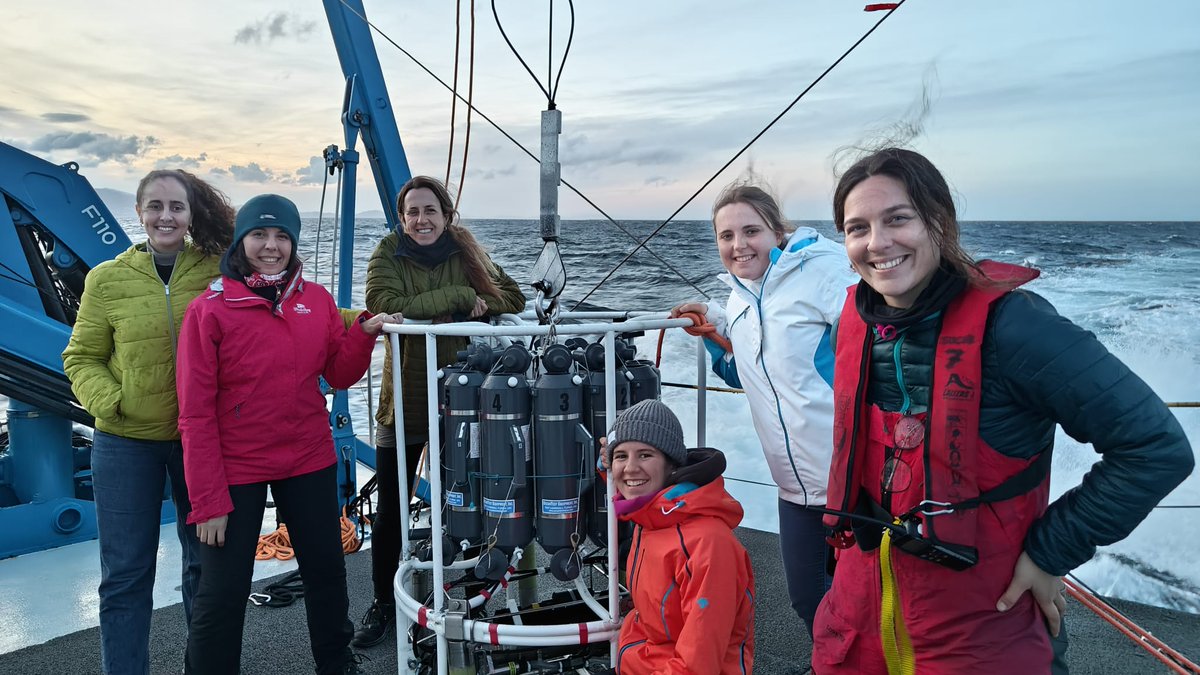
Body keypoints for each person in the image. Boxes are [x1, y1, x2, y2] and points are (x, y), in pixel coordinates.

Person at [814, 148, 1195, 674]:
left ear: (939, 221)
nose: (877, 243)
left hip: (982, 622)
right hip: (861, 613)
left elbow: (1155, 448)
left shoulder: (1016, 327)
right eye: (857, 228)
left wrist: (1049, 553)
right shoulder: (853, 324)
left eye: (897, 219)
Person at [176, 194, 401, 675]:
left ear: (294, 242)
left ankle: (337, 664)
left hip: (308, 456)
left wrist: (362, 335)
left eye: (282, 236)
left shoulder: (315, 300)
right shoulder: (210, 309)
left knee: (327, 573)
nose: (271, 246)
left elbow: (338, 375)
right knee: (223, 588)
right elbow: (194, 415)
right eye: (259, 235)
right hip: (237, 465)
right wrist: (208, 502)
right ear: (242, 241)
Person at [62, 169, 234, 674]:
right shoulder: (107, 279)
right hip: (124, 444)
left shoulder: (217, 272)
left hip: (198, 441)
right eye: (155, 206)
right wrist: (114, 403)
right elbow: (81, 357)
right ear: (139, 213)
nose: (165, 216)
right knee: (124, 576)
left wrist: (363, 321)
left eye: (176, 207)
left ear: (190, 214)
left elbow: (285, 307)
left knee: (204, 568)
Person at [669, 181, 858, 638]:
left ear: (777, 230)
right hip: (795, 488)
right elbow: (748, 376)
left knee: (867, 602)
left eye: (751, 231)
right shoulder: (738, 298)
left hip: (855, 482)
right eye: (726, 236)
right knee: (811, 599)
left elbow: (874, 358)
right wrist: (715, 327)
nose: (739, 246)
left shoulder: (826, 276)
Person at [355, 175, 526, 647]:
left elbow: (511, 298)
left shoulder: (466, 251)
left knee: (462, 501)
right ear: (401, 216)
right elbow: (386, 304)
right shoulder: (387, 253)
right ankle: (384, 603)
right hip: (406, 401)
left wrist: (473, 304)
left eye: (430, 210)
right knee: (392, 510)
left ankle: (463, 595)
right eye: (412, 211)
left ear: (446, 215)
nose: (421, 219)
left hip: (464, 401)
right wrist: (457, 300)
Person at [606, 399, 755, 675]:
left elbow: (698, 664)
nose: (630, 468)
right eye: (621, 456)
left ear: (671, 464)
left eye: (645, 455)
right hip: (643, 663)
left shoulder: (708, 545)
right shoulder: (652, 517)